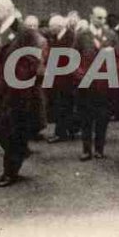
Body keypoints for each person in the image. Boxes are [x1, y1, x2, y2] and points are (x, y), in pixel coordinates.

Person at [0, 0, 43, 187]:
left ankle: (10, 171)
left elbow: (33, 61)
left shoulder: (24, 32)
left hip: (14, 90)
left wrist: (17, 80)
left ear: (8, 10)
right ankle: (19, 151)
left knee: (12, 129)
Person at [74, 6, 119, 161]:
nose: (101, 21)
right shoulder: (82, 35)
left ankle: (99, 149)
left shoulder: (111, 35)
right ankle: (86, 149)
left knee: (103, 117)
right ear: (91, 17)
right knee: (86, 117)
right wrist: (79, 74)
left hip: (104, 83)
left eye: (104, 18)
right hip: (87, 84)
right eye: (98, 18)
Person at [46, 15, 77, 143]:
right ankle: (68, 130)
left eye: (51, 26)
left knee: (64, 105)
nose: (49, 29)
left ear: (58, 26)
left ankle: (61, 132)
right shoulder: (56, 37)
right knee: (63, 105)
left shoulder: (70, 37)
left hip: (67, 77)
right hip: (58, 77)